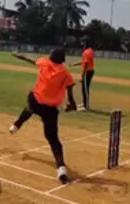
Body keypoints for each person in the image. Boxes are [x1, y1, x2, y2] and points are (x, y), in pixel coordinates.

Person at [9, 48, 78, 183]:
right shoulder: (66, 74)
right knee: (53, 140)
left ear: (51, 57)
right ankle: (61, 168)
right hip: (51, 110)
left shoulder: (44, 63)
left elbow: (30, 59)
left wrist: (18, 55)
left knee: (30, 105)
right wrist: (72, 105)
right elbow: (70, 93)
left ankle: (17, 125)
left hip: (37, 101)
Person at [71, 36, 95, 110]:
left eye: (82, 42)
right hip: (89, 71)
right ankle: (84, 103)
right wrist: (76, 64)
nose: (81, 43)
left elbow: (86, 64)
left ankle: (86, 106)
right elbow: (84, 62)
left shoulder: (86, 52)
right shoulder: (90, 50)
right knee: (84, 89)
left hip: (88, 71)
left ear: (85, 43)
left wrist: (82, 75)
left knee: (85, 89)